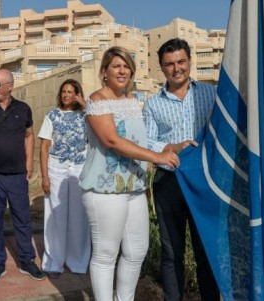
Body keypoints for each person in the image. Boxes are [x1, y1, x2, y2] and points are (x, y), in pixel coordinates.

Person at [79, 46, 179, 301]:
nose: (122, 71)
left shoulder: (133, 101)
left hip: (133, 187)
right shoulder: (97, 101)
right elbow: (112, 141)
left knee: (137, 251)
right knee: (106, 253)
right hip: (105, 188)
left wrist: (170, 148)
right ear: (104, 71)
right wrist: (157, 158)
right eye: (116, 66)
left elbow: (140, 141)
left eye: (126, 66)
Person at [143, 38, 220, 301]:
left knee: (206, 248)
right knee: (171, 250)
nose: (177, 68)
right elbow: (147, 141)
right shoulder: (153, 104)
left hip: (205, 181)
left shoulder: (210, 94)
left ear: (189, 61)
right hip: (170, 181)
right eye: (169, 64)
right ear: (161, 68)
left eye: (181, 62)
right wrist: (172, 147)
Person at [0, 69, 45, 285]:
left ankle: (27, 260)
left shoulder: (23, 109)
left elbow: (29, 136)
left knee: (22, 219)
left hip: (17, 176)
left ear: (10, 86)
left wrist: (29, 162)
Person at [38, 79, 90, 279]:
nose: (67, 95)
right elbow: (44, 147)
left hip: (79, 169)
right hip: (56, 168)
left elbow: (99, 129)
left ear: (78, 93)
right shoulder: (52, 115)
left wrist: (85, 105)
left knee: (79, 216)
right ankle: (53, 262)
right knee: (55, 217)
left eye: (71, 92)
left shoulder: (87, 115)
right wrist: (44, 176)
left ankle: (77, 261)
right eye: (64, 92)